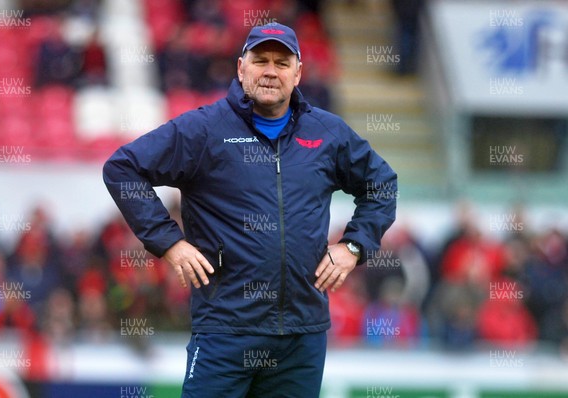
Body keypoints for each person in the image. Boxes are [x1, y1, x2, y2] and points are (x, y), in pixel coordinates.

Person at [103, 22, 397, 398]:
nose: (270, 71)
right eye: (260, 60)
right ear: (241, 68)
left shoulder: (327, 133)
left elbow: (382, 184)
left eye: (281, 62)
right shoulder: (204, 130)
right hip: (226, 329)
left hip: (301, 336)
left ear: (298, 73)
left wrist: (354, 246)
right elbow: (122, 168)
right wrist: (169, 242)